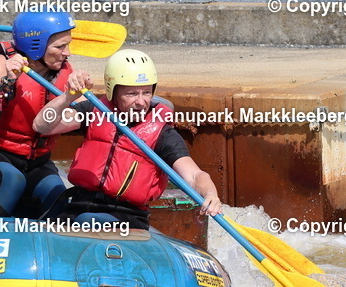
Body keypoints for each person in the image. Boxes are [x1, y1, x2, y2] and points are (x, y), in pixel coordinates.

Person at [33, 49, 222, 230]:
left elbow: (194, 176)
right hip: (79, 204)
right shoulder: (94, 110)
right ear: (112, 92)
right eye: (131, 94)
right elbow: (42, 126)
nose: (141, 102)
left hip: (126, 217)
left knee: (88, 221)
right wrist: (69, 97)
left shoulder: (163, 134)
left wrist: (210, 194)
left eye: (146, 92)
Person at [0, 11, 74, 217]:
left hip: (38, 161)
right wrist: (7, 81)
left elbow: (84, 114)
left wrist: (77, 94)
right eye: (60, 47)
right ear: (36, 45)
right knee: (12, 181)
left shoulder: (64, 70)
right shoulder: (2, 63)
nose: (67, 52)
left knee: (57, 194)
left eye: (67, 45)